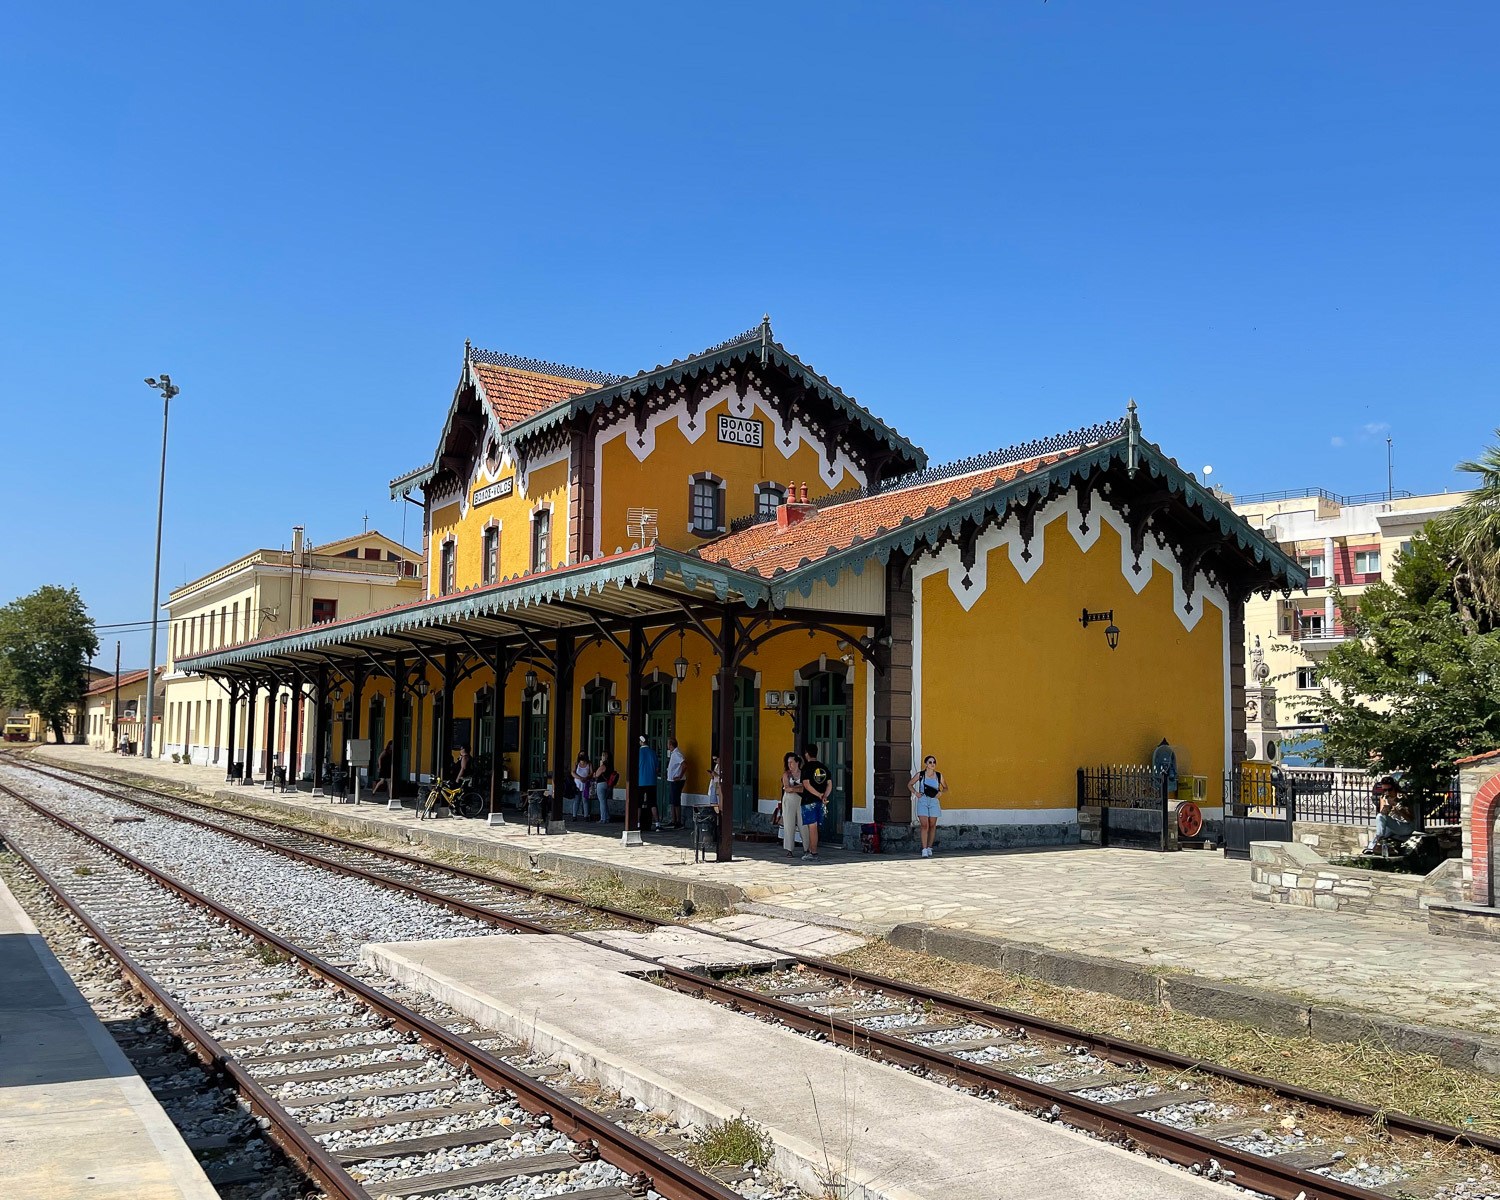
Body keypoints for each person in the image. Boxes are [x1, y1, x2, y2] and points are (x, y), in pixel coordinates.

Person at [909, 754, 948, 857]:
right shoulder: (920, 775)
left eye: (934, 762)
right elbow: (910, 784)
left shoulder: (939, 776)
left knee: (932, 825)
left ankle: (930, 847)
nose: (932, 764)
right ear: (926, 764)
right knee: (924, 825)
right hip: (923, 800)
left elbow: (945, 787)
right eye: (930, 762)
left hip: (934, 801)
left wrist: (941, 793)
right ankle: (924, 849)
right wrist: (916, 793)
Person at [799, 743, 831, 860]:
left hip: (809, 801)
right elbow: (829, 784)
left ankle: (813, 852)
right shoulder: (823, 768)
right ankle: (812, 850)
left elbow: (806, 785)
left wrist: (818, 795)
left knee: (812, 826)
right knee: (815, 826)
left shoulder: (806, 768)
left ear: (807, 754)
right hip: (820, 802)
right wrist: (824, 796)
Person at [1365, 776, 1412, 854]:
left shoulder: (1402, 797)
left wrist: (1397, 807)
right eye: (1384, 790)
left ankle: (1372, 846)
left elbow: (1410, 817)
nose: (1387, 792)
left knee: (1380, 832)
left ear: (1394, 788)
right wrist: (1387, 808)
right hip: (1392, 826)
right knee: (1380, 821)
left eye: (1389, 789)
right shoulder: (1383, 797)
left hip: (1405, 826)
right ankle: (1371, 847)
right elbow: (1382, 816)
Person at [779, 752, 804, 857]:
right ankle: (789, 849)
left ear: (797, 763)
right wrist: (797, 788)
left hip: (801, 800)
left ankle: (807, 848)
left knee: (804, 824)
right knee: (789, 825)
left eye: (792, 762)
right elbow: (787, 788)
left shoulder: (803, 774)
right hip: (789, 800)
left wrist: (793, 788)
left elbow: (805, 788)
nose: (790, 765)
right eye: (788, 762)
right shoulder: (786, 774)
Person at [636, 735, 658, 833]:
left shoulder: (638, 753)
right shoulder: (653, 753)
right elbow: (657, 768)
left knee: (638, 803)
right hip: (652, 781)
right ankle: (657, 824)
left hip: (640, 781)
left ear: (641, 742)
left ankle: (637, 823)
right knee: (653, 803)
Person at [666, 736, 687, 829]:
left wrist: (680, 776)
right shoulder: (674, 753)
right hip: (672, 780)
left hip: (677, 781)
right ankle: (673, 820)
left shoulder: (677, 754)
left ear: (670, 745)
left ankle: (678, 821)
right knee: (673, 801)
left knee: (676, 800)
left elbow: (684, 764)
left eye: (668, 743)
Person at [593, 752, 615, 823]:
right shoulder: (611, 766)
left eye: (603, 755)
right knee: (604, 801)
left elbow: (596, 775)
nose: (601, 757)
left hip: (601, 784)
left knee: (602, 801)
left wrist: (600, 764)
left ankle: (603, 818)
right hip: (608, 784)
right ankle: (607, 816)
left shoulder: (603, 766)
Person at [572, 751, 593, 820]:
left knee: (585, 800)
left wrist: (586, 778)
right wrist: (580, 778)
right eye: (580, 755)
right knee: (576, 800)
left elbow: (591, 773)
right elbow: (573, 772)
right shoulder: (576, 763)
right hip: (577, 784)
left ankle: (586, 815)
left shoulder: (589, 764)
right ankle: (574, 815)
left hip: (586, 784)